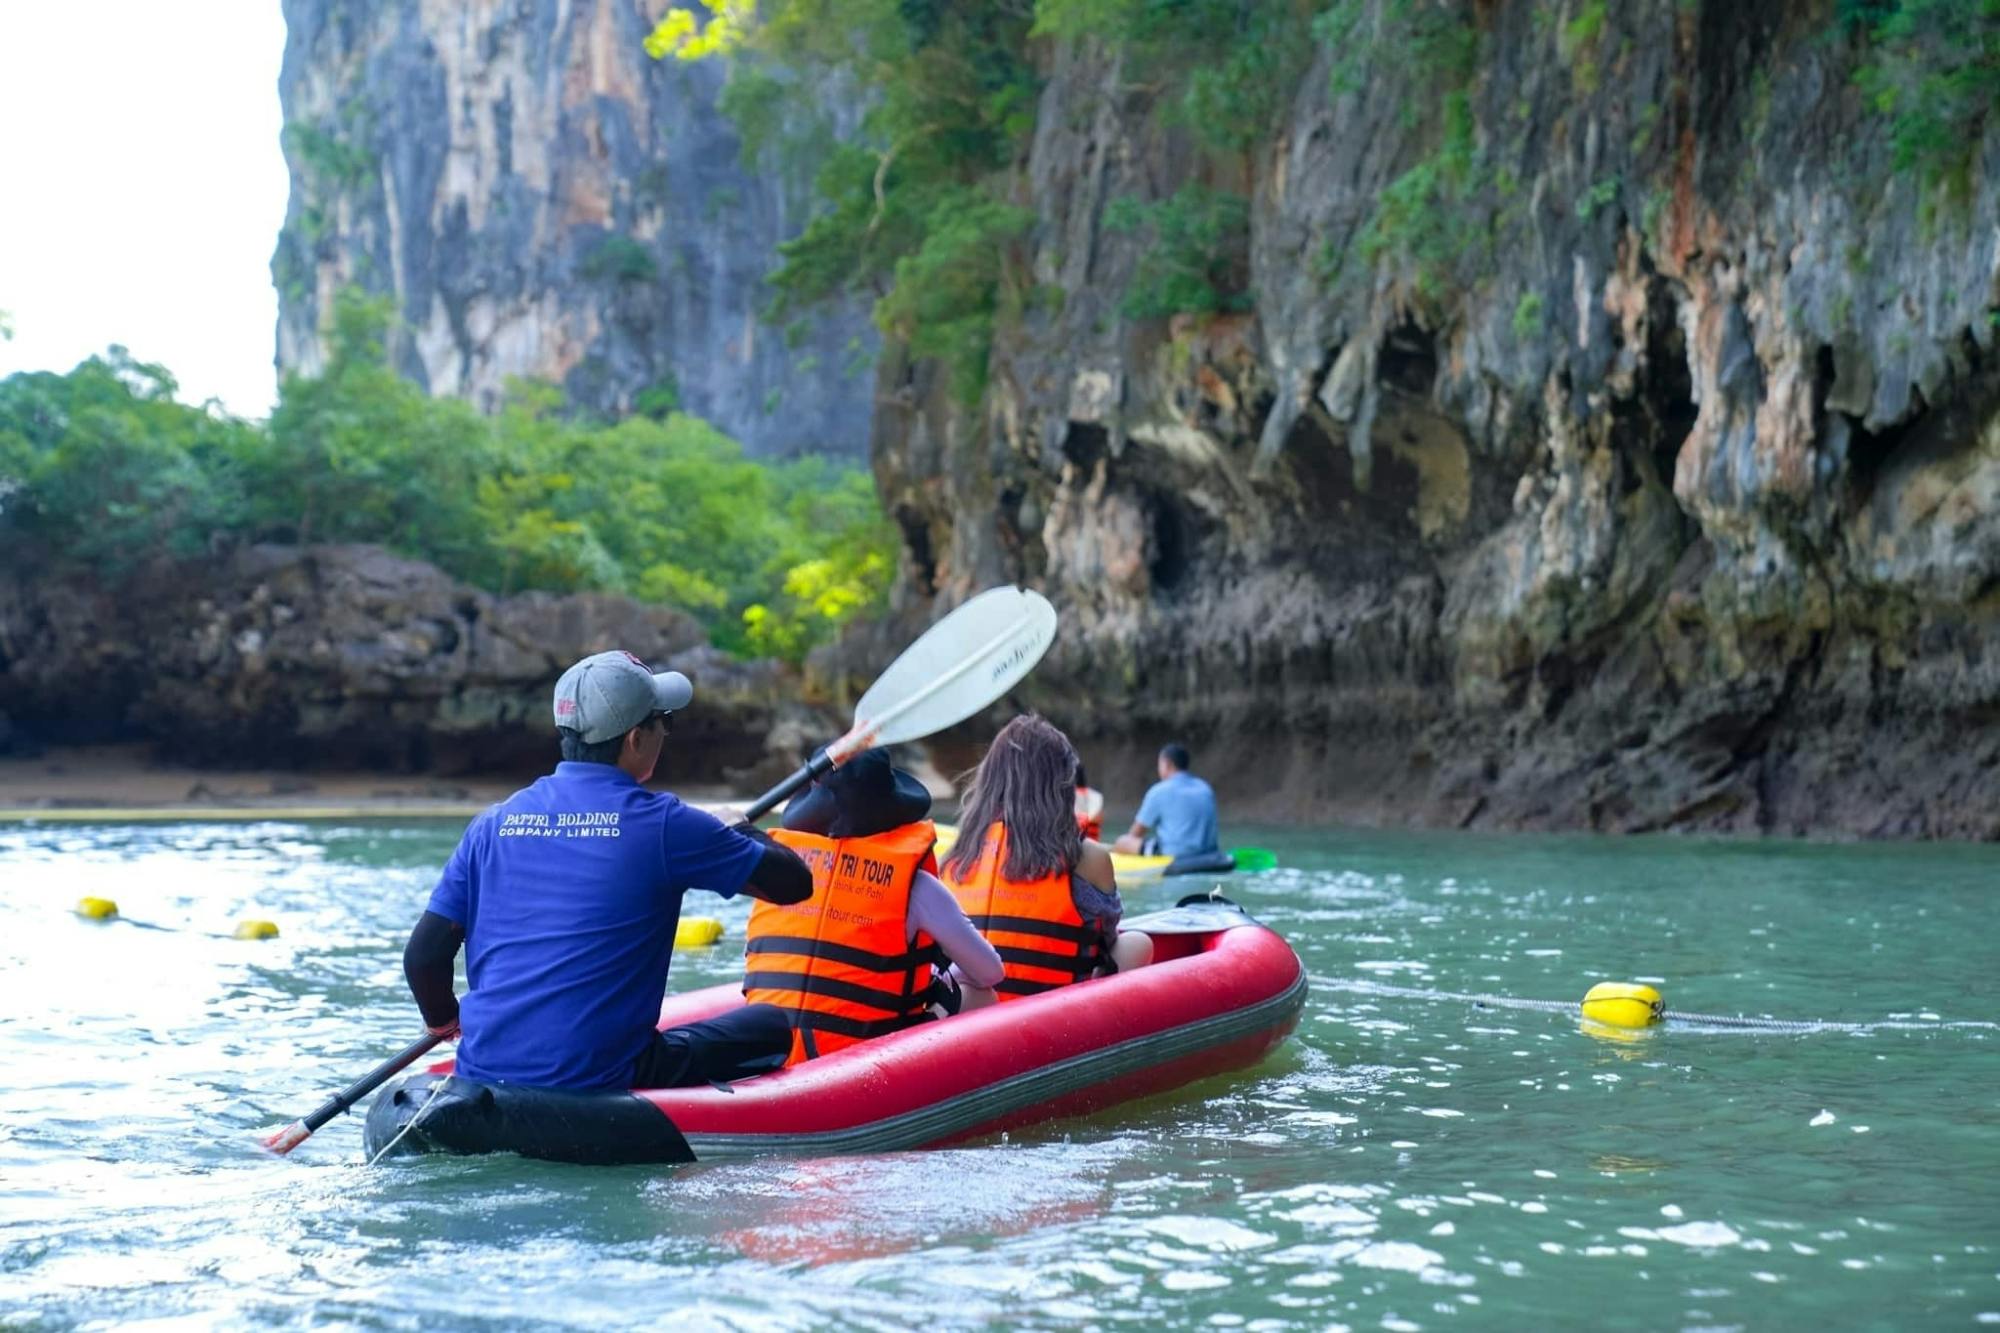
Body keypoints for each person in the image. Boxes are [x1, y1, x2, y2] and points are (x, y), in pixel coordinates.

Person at [400, 650, 813, 1091]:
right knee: (768, 1024)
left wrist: (445, 1022)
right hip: (603, 1076)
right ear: (635, 738)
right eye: (664, 721)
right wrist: (741, 830)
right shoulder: (667, 824)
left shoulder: (492, 823)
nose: (665, 733)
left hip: (485, 1069)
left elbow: (424, 957)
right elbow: (793, 884)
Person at [744, 747, 1004, 1063]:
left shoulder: (782, 872)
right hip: (859, 1058)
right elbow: (990, 972)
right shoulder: (915, 885)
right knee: (981, 995)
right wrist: (941, 975)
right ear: (892, 811)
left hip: (773, 1050)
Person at [941, 715, 1151, 999]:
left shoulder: (957, 856)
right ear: (1062, 785)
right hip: (1054, 1015)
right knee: (1138, 943)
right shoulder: (1088, 856)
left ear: (989, 781)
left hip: (974, 1014)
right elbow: (1108, 937)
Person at [1113, 742, 1219, 858]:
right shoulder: (1205, 788)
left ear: (1168, 764)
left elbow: (1135, 833)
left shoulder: (1159, 791)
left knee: (1122, 842)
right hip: (1209, 852)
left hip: (1174, 854)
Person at [1073, 761, 1106, 841]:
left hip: (1075, 845)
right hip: (1094, 843)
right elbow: (1099, 818)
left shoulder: (1066, 796)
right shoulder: (1097, 796)